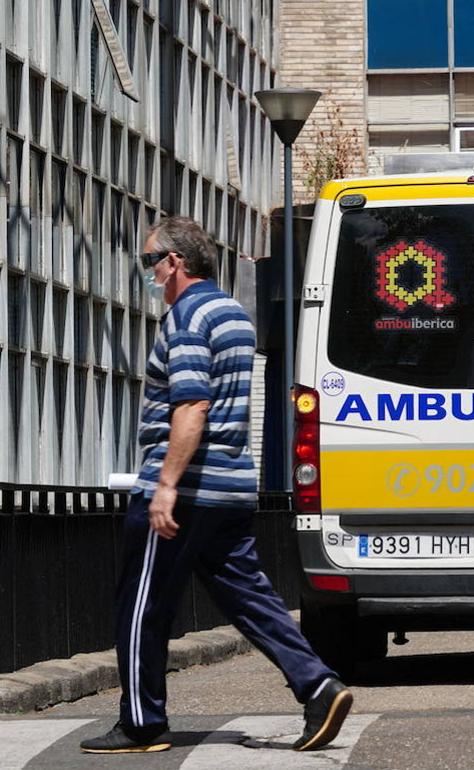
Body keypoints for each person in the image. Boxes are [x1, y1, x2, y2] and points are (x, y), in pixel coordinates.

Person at [81, 217, 352, 754]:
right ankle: (318, 685)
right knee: (249, 597)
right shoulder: (234, 314)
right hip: (230, 488)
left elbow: (192, 404)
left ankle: (141, 723)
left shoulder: (185, 317)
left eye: (149, 261)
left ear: (175, 263)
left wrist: (165, 486)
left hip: (187, 490)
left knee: (141, 602)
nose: (148, 273)